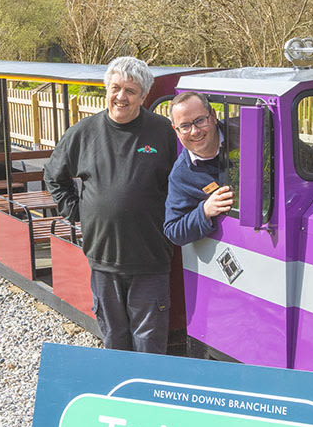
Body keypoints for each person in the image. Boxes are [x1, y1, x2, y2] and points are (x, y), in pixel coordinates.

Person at [44, 57, 177, 354]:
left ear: (143, 96)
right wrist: (80, 213)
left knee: (150, 341)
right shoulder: (83, 132)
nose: (121, 97)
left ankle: (147, 396)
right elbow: (54, 177)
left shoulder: (163, 132)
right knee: (113, 338)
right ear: (106, 89)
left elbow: (181, 183)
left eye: (131, 91)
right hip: (103, 259)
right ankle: (117, 396)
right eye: (115, 88)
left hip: (151, 258)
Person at [163, 91, 235, 246]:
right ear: (175, 129)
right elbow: (173, 230)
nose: (195, 131)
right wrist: (205, 211)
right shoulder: (181, 175)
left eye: (200, 120)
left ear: (214, 116)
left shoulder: (246, 133)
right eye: (185, 126)